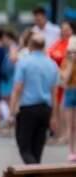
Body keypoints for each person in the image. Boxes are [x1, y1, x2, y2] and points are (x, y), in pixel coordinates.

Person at [10, 34, 59, 164]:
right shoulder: (52, 64)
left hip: (28, 109)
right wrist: (54, 116)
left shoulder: (24, 63)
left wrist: (12, 110)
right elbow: (54, 93)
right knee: (37, 150)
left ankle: (32, 172)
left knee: (24, 147)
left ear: (30, 45)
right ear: (44, 46)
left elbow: (17, 88)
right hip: (45, 109)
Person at [62, 37, 76, 161]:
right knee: (71, 125)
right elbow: (64, 81)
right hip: (70, 91)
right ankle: (71, 150)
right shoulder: (66, 62)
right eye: (71, 52)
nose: (73, 54)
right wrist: (71, 64)